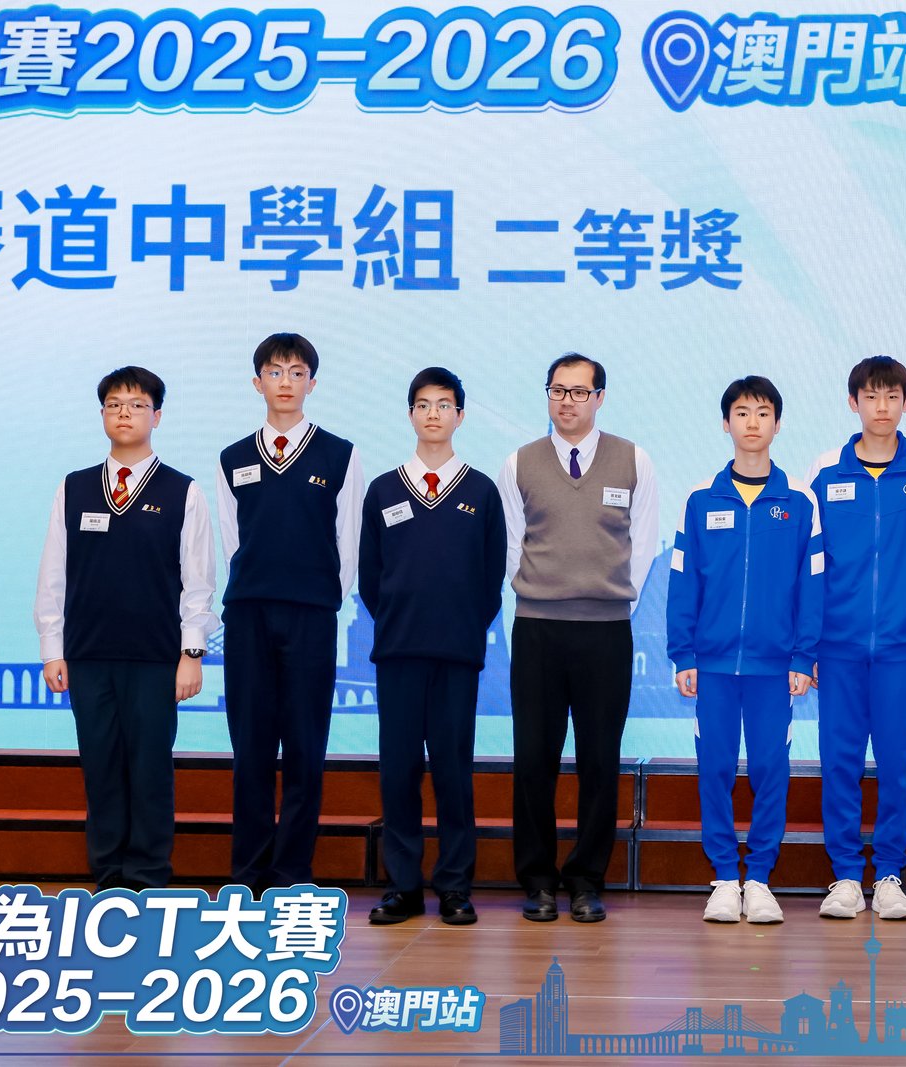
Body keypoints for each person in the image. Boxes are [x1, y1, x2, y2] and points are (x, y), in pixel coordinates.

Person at [35, 366, 216, 891]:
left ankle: (148, 872)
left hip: (155, 657)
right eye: (114, 404)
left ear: (156, 416)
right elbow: (53, 573)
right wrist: (52, 648)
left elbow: (198, 581)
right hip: (88, 654)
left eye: (137, 405)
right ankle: (109, 872)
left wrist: (191, 653)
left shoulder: (183, 491)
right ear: (102, 415)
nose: (125, 413)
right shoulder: (74, 487)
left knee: (150, 767)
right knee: (100, 764)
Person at [499, 352, 659, 923]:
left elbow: (643, 546)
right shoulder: (518, 463)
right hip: (538, 630)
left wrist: (607, 594)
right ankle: (538, 880)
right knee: (533, 759)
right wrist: (546, 591)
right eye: (558, 390)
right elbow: (512, 546)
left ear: (599, 397)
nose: (567, 401)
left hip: (606, 632)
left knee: (599, 759)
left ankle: (588, 879)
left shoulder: (633, 459)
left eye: (579, 391)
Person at [668, 376, 822, 924]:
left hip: (774, 667)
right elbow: (683, 580)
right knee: (714, 767)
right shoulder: (700, 499)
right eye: (741, 412)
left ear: (777, 424)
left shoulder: (800, 501)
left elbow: (812, 585)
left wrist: (803, 656)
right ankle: (723, 878)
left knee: (769, 769)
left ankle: (758, 877)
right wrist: (683, 654)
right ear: (725, 422)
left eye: (762, 413)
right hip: (712, 665)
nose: (752, 422)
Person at [216, 333, 365, 893]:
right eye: (275, 372)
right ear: (257, 383)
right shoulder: (232, 457)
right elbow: (233, 543)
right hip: (248, 614)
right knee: (251, 747)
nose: (286, 382)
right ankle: (249, 872)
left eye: (297, 372)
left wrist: (323, 597)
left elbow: (348, 541)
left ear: (312, 383)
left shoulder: (339, 454)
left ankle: (292, 872)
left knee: (305, 747)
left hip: (311, 614)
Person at [806, 356, 906, 921]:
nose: (882, 407)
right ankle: (845, 874)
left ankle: (889, 873)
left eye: (892, 397)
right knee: (839, 763)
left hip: (903, 648)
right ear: (854, 403)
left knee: (896, 765)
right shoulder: (824, 472)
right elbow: (812, 565)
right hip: (837, 648)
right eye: (871, 397)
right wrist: (810, 645)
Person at [360, 368, 505, 926]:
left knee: (452, 771)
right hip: (398, 652)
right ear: (410, 414)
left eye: (444, 405)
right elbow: (370, 577)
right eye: (423, 405)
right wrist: (401, 621)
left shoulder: (480, 491)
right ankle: (402, 886)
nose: (433, 414)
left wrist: (462, 626)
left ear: (460, 416)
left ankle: (453, 886)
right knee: (398, 771)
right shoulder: (383, 490)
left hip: (457, 653)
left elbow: (492, 577)